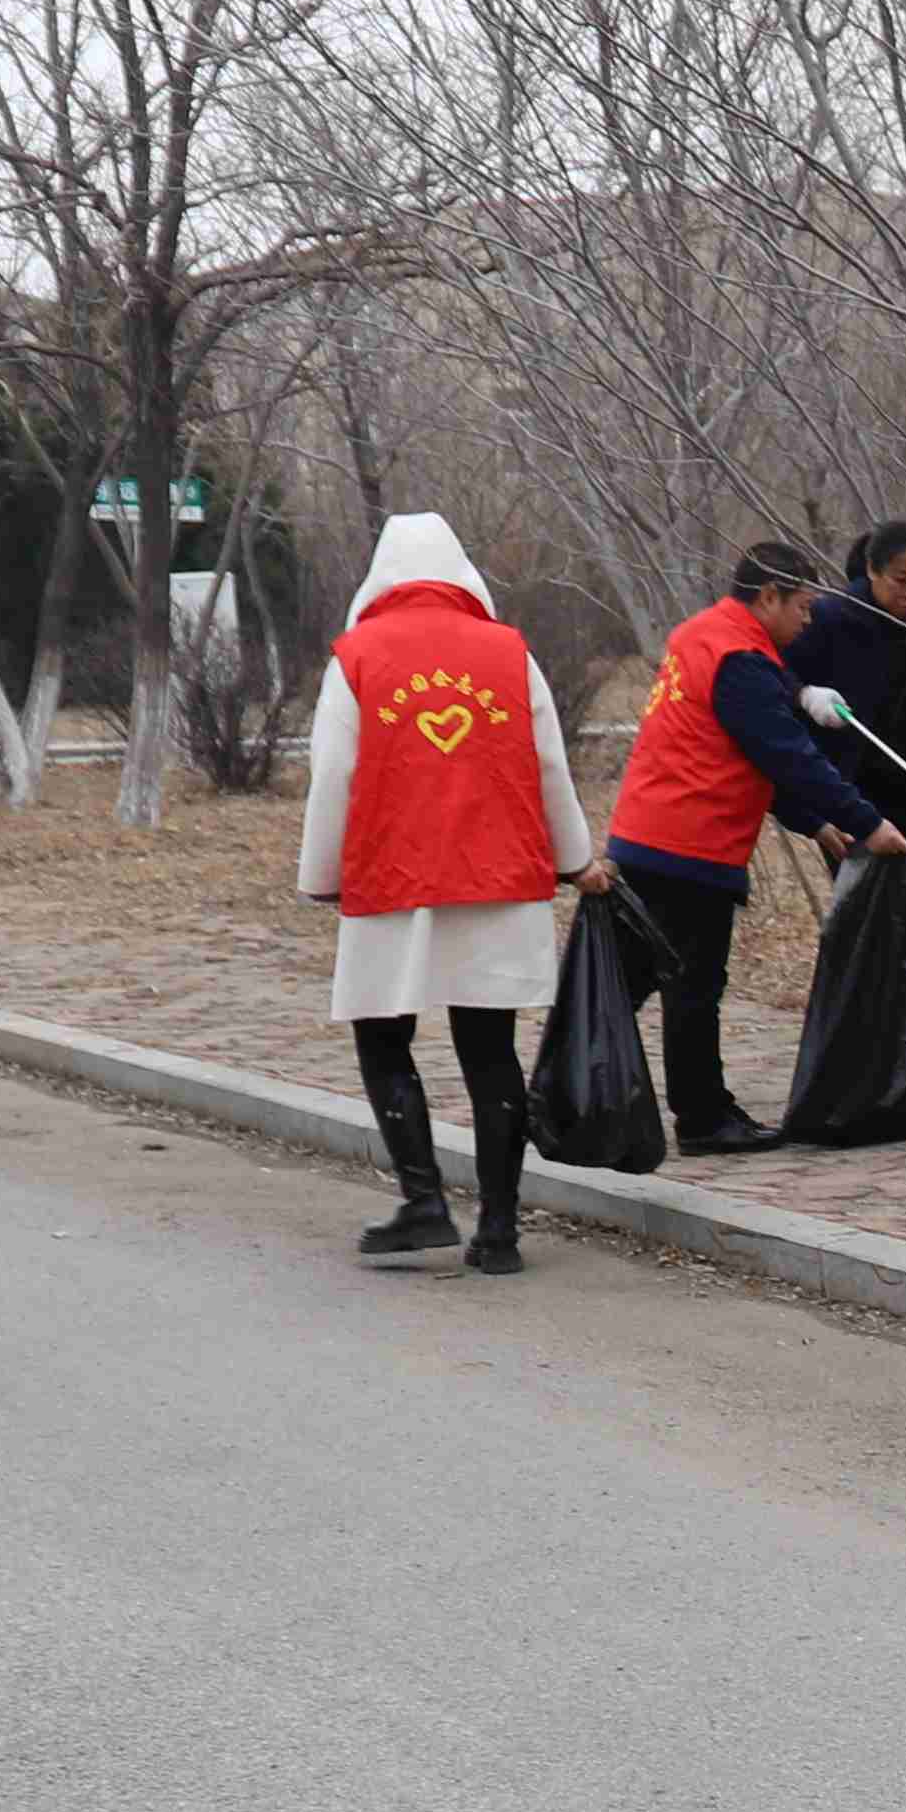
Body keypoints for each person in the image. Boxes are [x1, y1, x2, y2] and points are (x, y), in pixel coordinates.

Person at [294, 512, 606, 1274]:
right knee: (490, 1049)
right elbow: (549, 764)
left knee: (383, 1036)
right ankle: (499, 1231)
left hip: (392, 875)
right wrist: (575, 859)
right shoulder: (509, 653)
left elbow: (334, 776)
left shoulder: (356, 657)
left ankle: (424, 1198)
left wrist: (321, 875)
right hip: (498, 876)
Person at [600, 539, 906, 1155]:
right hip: (692, 843)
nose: (808, 618)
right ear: (768, 597)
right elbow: (785, 754)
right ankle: (701, 1118)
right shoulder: (741, 658)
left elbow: (734, 746)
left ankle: (570, 1095)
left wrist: (812, 822)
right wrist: (867, 822)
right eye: (802, 605)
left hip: (646, 834)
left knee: (624, 983)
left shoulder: (701, 635)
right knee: (693, 986)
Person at [792, 520, 906, 839]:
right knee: (872, 872)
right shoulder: (829, 619)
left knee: (902, 869)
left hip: (902, 789)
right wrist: (805, 694)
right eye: (901, 580)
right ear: (873, 570)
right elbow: (779, 675)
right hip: (844, 788)